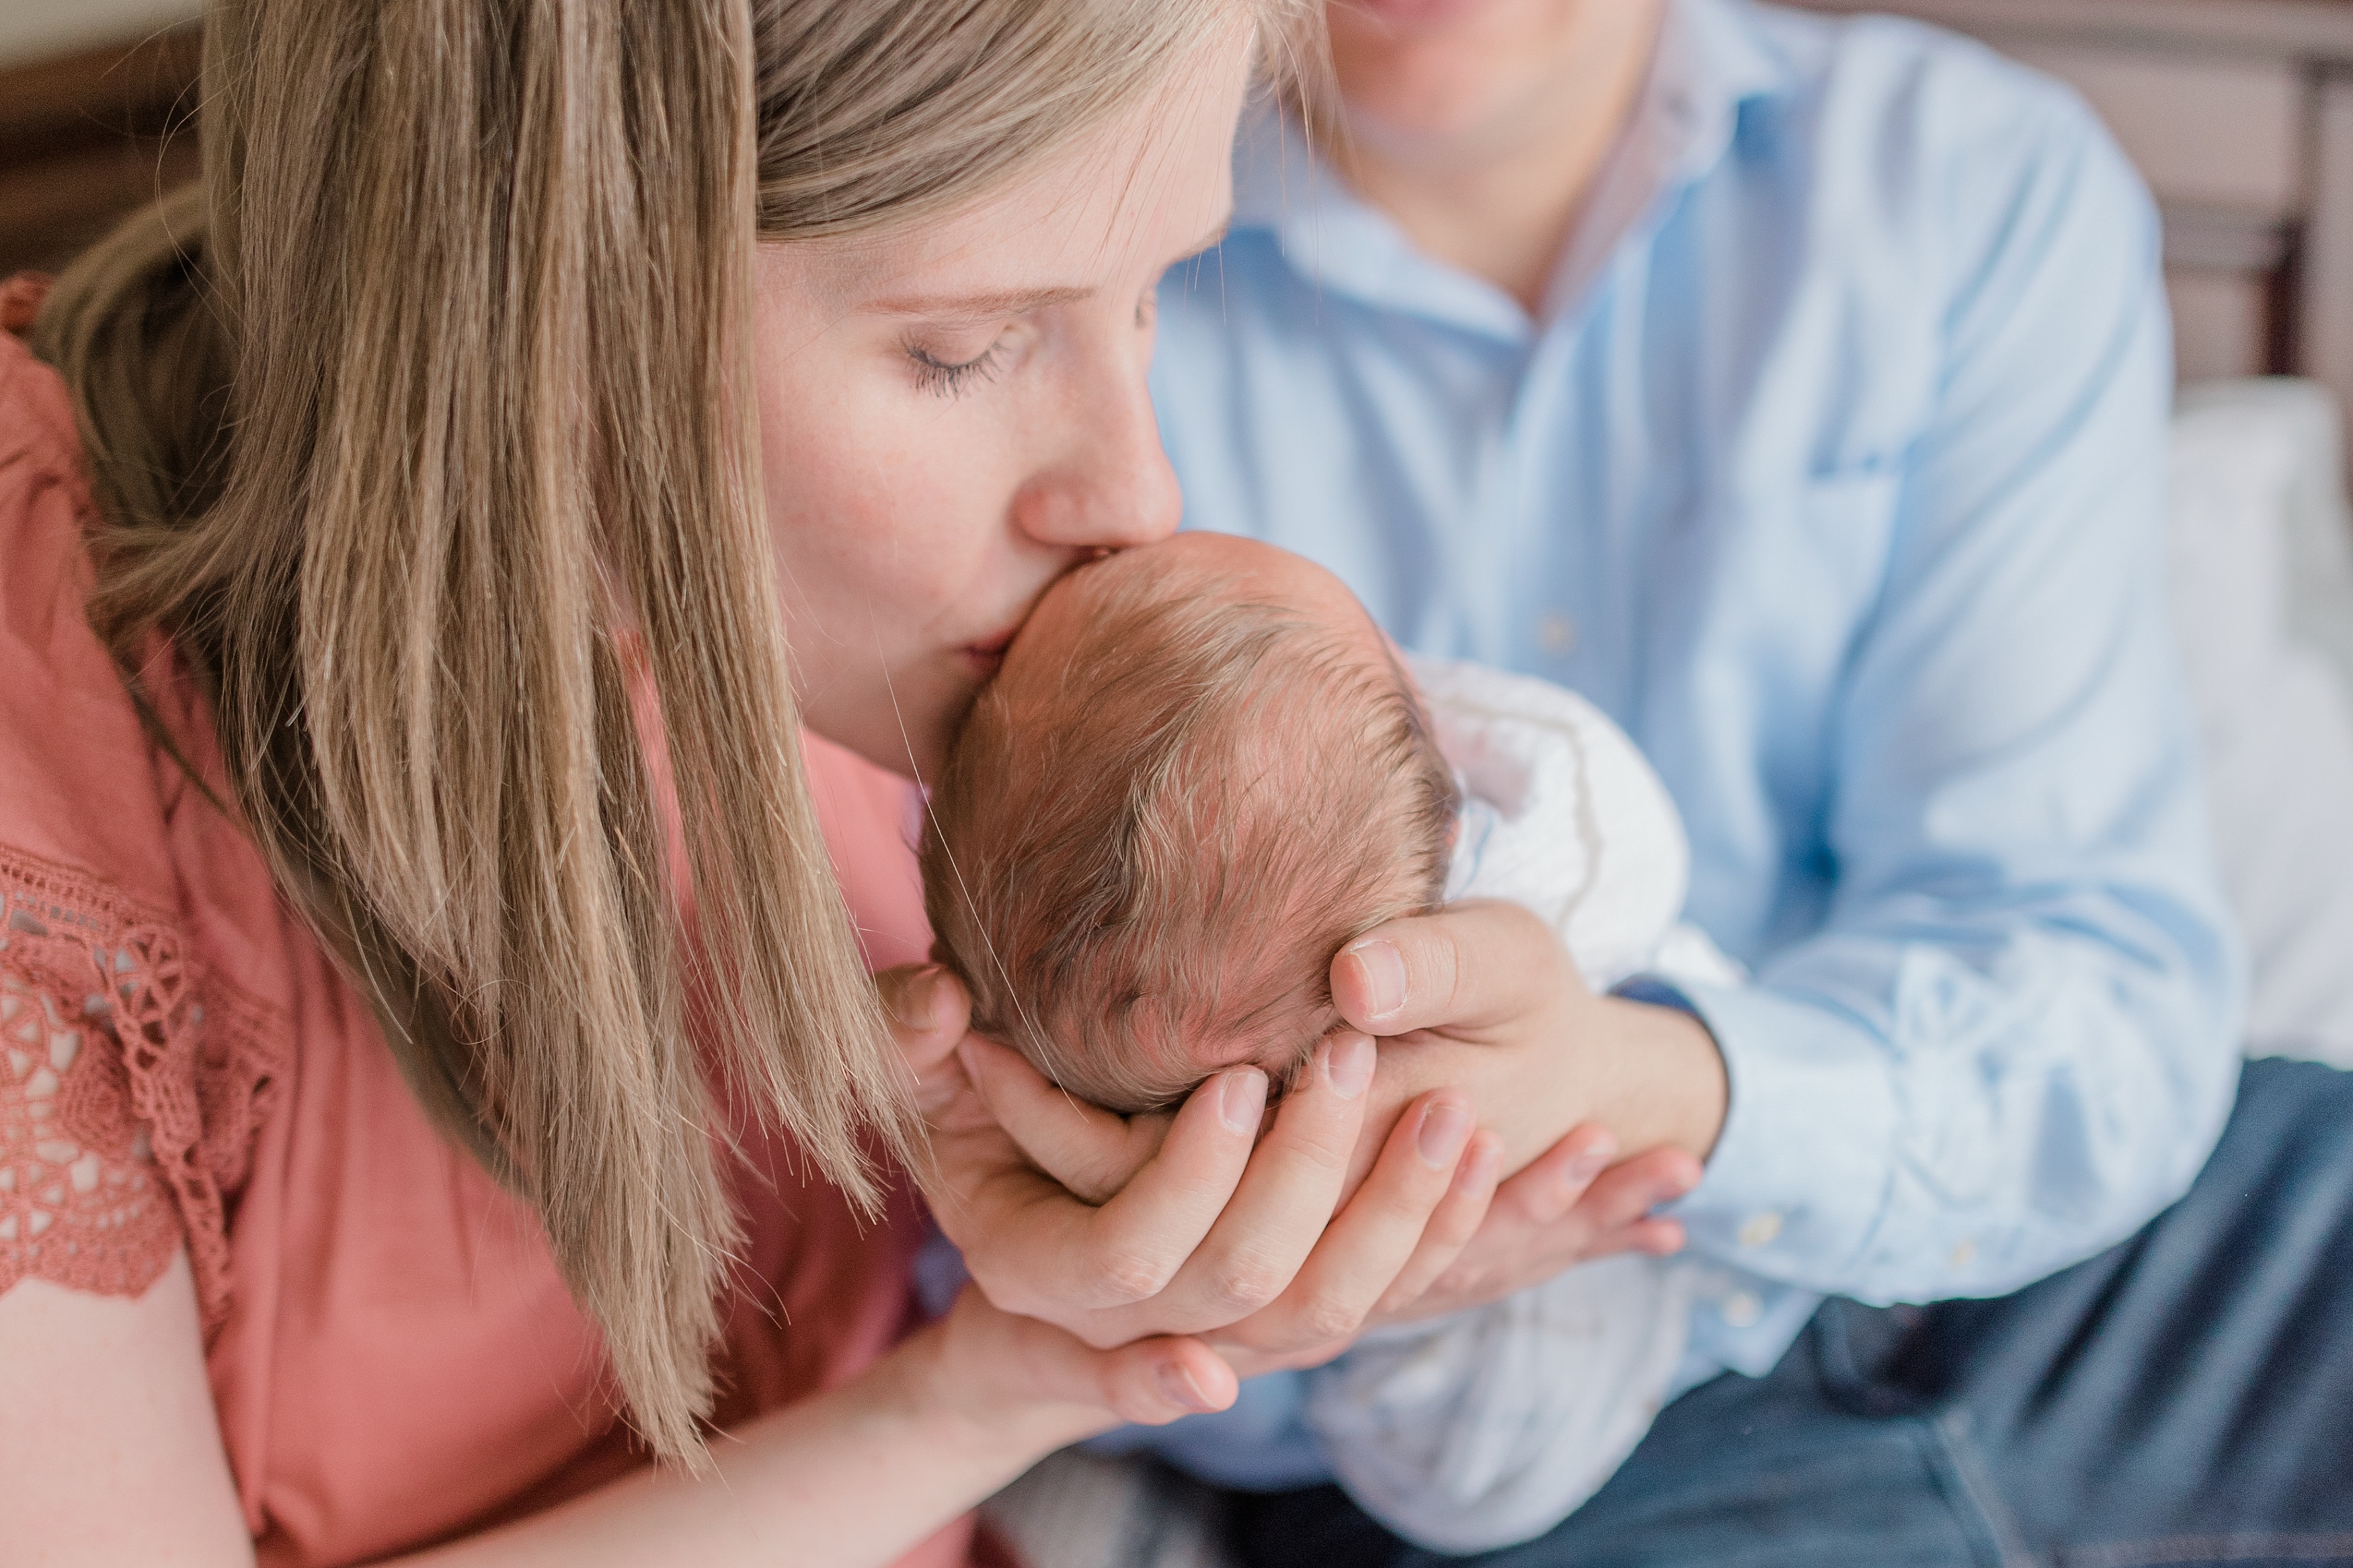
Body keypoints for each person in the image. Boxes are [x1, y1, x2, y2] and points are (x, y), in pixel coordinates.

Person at [3, 4, 1685, 1563]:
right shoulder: (57, 801)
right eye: (963, 347)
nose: (1142, 489)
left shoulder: (907, 632)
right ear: (540, 317)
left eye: (1161, 292)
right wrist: (987, 1392)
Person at [910, 0, 2353, 1558]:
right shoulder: (1055, 253)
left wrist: (1644, 1081)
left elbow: (2086, 980)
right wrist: (1300, 1261)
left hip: (2043, 1275)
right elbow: (1021, 1057)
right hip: (1488, 1452)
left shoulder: (1965, 189)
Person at [919, 529, 1744, 1553]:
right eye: (1401, 667)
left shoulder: (1042, 1024)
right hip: (1568, 1388)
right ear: (1445, 819)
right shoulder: (1536, 862)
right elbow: (1611, 813)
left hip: (1250, 1418)